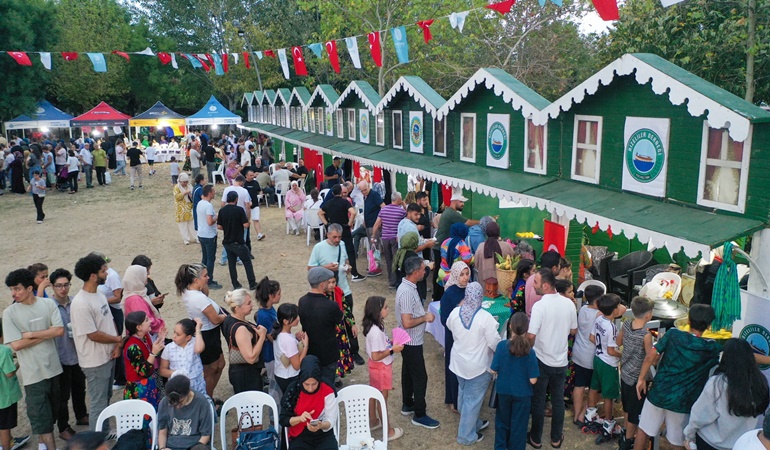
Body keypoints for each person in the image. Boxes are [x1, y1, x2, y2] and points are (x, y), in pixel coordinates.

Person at [632, 304, 721, 450]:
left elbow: (651, 355)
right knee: (677, 442)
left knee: (643, 430)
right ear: (709, 326)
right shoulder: (711, 348)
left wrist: (641, 379)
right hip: (682, 402)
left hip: (659, 393)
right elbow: (740, 352)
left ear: (688, 321)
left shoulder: (673, 334)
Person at [3, 268, 64, 450]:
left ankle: (41, 445)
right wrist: (47, 333)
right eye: (11, 289)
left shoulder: (48, 304)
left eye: (17, 289)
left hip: (54, 369)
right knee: (42, 420)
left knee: (51, 415)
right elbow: (16, 345)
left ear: (30, 288)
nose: (13, 293)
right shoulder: (10, 313)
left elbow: (59, 330)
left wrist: (30, 334)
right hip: (33, 376)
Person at [682, 338, 769, 450]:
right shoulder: (761, 383)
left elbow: (700, 415)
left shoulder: (717, 383)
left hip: (709, 443)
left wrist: (689, 435)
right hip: (739, 444)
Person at [527, 269, 577, 449]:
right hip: (561, 360)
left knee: (539, 400)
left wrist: (527, 350)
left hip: (541, 359)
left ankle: (535, 438)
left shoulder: (539, 306)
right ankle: (556, 438)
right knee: (558, 400)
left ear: (546, 285)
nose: (533, 285)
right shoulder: (568, 304)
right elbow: (573, 330)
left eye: (536, 282)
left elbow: (531, 335)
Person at [71, 254, 122, 431]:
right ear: (93, 276)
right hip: (95, 361)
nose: (107, 273)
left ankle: (104, 434)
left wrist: (116, 345)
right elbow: (92, 334)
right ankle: (97, 440)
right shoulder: (80, 303)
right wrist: (117, 340)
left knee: (106, 397)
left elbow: (109, 320)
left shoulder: (99, 293)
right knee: (98, 404)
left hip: (108, 355)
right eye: (103, 271)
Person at [445, 282, 500, 445]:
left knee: (463, 395)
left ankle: (473, 423)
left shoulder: (455, 312)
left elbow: (449, 326)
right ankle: (466, 436)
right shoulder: (486, 318)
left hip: (458, 363)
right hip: (478, 366)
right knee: (472, 401)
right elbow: (495, 343)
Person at [308, 223, 364, 365]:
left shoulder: (342, 245)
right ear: (327, 235)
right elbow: (310, 268)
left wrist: (348, 266)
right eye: (334, 237)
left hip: (344, 290)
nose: (337, 240)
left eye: (339, 237)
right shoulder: (318, 248)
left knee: (349, 320)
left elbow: (346, 260)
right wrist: (326, 268)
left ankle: (354, 351)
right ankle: (336, 352)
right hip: (326, 293)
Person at [396, 256, 439, 429]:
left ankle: (407, 404)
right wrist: (425, 318)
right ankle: (419, 414)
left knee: (408, 372)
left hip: (408, 339)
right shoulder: (407, 292)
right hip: (411, 341)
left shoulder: (407, 286)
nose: (425, 271)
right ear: (415, 272)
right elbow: (407, 322)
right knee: (420, 377)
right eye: (422, 269)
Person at [175, 263, 226, 399]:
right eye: (205, 276)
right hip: (208, 335)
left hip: (209, 333)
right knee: (211, 370)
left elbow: (206, 294)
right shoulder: (198, 298)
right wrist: (226, 316)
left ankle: (208, 396)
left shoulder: (189, 291)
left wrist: (203, 284)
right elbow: (215, 319)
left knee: (220, 364)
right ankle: (207, 399)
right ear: (195, 280)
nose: (208, 278)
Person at [491, 312, 539, 450]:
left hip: (503, 391)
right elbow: (533, 380)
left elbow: (493, 369)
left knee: (502, 422)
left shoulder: (501, 346)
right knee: (519, 426)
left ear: (510, 326)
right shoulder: (530, 351)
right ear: (526, 328)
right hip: (522, 394)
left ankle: (500, 447)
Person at [50, 268, 88, 440]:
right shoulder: (49, 307)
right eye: (59, 285)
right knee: (62, 395)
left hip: (78, 353)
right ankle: (63, 427)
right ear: (52, 286)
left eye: (66, 285)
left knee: (79, 387)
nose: (63, 289)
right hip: (60, 356)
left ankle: (81, 415)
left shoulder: (75, 302)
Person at [362, 296, 405, 441]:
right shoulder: (376, 331)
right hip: (382, 367)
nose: (388, 309)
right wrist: (392, 350)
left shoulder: (374, 326)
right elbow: (376, 355)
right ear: (377, 311)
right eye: (385, 307)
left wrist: (390, 343)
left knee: (374, 393)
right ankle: (388, 431)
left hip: (375, 367)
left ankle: (373, 421)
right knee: (382, 398)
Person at [615, 296, 654, 450]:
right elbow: (650, 358)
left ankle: (625, 433)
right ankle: (628, 441)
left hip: (625, 372)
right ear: (648, 315)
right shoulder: (646, 335)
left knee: (627, 407)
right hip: (638, 379)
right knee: (634, 413)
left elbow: (618, 342)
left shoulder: (626, 324)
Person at [279, 356, 339, 450]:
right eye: (306, 384)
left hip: (323, 433)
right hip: (300, 435)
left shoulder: (327, 389)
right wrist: (299, 418)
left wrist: (321, 425)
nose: (310, 389)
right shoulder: (294, 389)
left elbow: (331, 419)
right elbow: (283, 419)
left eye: (314, 384)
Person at [586, 294, 623, 438]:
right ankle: (609, 423)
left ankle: (590, 414)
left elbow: (591, 337)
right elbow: (611, 351)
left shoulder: (599, 319)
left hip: (598, 358)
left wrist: (600, 346)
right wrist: (622, 355)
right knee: (609, 395)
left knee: (594, 387)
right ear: (615, 310)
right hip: (608, 364)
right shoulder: (611, 327)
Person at [298, 267, 343, 384]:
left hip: (310, 352)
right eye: (327, 282)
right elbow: (339, 319)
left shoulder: (302, 301)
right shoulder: (331, 305)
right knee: (328, 386)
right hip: (328, 354)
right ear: (322, 284)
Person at [433, 190, 480, 301]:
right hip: (441, 248)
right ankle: (438, 297)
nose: (463, 204)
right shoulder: (452, 213)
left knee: (440, 272)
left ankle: (438, 297)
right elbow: (468, 222)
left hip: (441, 246)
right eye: (461, 202)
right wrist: (482, 222)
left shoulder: (448, 212)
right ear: (454, 201)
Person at [221, 289, 268, 393]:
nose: (252, 305)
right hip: (246, 375)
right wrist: (262, 336)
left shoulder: (229, 319)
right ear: (237, 308)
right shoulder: (241, 329)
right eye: (248, 303)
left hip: (239, 371)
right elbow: (251, 358)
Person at [571, 284, 605, 427]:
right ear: (598, 301)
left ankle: (576, 414)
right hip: (591, 356)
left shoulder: (583, 309)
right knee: (594, 388)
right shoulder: (599, 315)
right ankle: (583, 413)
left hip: (578, 353)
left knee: (579, 385)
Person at [439, 261, 470, 413]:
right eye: (462, 274)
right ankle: (453, 399)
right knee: (453, 367)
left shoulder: (470, 289)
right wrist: (459, 309)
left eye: (467, 274)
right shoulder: (449, 294)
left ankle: (465, 397)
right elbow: (444, 319)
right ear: (456, 275)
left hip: (467, 336)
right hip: (453, 336)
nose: (465, 277)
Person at [319, 184, 365, 281]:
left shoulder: (328, 203)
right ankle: (354, 274)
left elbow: (320, 213)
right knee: (350, 251)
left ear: (332, 193)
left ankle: (333, 271)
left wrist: (327, 224)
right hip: (343, 228)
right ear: (340, 192)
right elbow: (353, 212)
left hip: (333, 229)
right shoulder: (345, 202)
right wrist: (349, 223)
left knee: (333, 250)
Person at [157, 375, 213, 450]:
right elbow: (162, 431)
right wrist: (162, 448)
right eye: (172, 403)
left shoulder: (201, 402)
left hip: (194, 446)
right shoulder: (164, 402)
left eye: (180, 402)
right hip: (171, 446)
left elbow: (206, 435)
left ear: (188, 392)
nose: (177, 407)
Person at [122, 311, 165, 408]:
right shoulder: (133, 347)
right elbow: (143, 371)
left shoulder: (144, 337)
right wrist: (153, 353)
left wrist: (160, 339)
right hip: (138, 389)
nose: (150, 321)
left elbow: (151, 354)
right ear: (139, 327)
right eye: (146, 320)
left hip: (149, 384)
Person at [218, 190, 257, 290]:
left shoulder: (222, 211)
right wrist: (248, 223)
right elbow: (245, 224)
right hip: (238, 242)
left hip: (227, 242)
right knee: (247, 262)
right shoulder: (239, 210)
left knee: (231, 264)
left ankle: (235, 284)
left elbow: (219, 226)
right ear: (236, 199)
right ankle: (252, 283)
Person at [0, 321, 30, 450]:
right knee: (4, 426)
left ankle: (10, 441)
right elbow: (9, 373)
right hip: (5, 398)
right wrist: (19, 363)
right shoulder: (4, 350)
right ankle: (7, 446)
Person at [159, 319, 207, 397]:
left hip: (196, 384)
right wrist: (175, 372)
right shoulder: (169, 348)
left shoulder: (194, 342)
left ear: (188, 337)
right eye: (174, 332)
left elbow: (199, 349)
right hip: (178, 386)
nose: (174, 336)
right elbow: (162, 370)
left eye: (178, 334)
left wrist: (198, 329)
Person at [255, 277, 282, 404]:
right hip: (270, 354)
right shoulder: (264, 315)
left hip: (272, 351)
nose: (280, 296)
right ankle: (274, 408)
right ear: (271, 296)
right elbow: (271, 336)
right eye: (278, 293)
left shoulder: (269, 309)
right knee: (274, 383)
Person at [372, 192, 407, 288]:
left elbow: (377, 223)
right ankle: (396, 281)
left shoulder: (384, 209)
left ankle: (391, 280)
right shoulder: (401, 211)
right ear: (399, 199)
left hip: (385, 238)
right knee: (396, 259)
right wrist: (405, 207)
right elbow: (408, 218)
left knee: (388, 259)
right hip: (395, 238)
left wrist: (373, 236)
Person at [273, 303, 309, 395]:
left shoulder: (279, 333)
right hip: (290, 377)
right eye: (295, 317)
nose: (298, 319)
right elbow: (297, 366)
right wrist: (305, 346)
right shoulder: (288, 340)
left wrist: (296, 339)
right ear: (285, 321)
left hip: (281, 373)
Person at [323, 276, 355, 380]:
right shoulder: (321, 296)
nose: (331, 285)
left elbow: (346, 308)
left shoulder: (338, 291)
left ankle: (337, 376)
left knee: (340, 350)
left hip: (339, 328)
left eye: (333, 282)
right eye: (329, 282)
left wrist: (352, 324)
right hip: (328, 328)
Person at [122, 265, 166, 338]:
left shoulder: (133, 293)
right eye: (144, 275)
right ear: (137, 278)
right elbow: (146, 320)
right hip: (146, 336)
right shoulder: (135, 300)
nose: (147, 277)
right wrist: (160, 323)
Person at [196, 185, 222, 289]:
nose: (215, 193)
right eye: (213, 191)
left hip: (201, 233)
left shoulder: (200, 203)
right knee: (211, 258)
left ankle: (202, 277)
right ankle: (209, 280)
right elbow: (210, 222)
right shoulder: (208, 206)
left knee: (205, 257)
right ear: (210, 193)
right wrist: (217, 217)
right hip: (209, 235)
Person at [525, 251, 562, 317]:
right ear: (554, 268)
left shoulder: (531, 278)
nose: (560, 267)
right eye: (559, 264)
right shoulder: (548, 286)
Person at [174, 173, 198, 245]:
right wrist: (184, 193)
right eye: (184, 182)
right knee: (183, 226)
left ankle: (196, 237)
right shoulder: (176, 187)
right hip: (181, 210)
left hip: (189, 208)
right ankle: (186, 239)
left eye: (186, 182)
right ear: (180, 181)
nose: (185, 183)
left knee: (192, 224)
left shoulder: (189, 186)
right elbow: (177, 197)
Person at [242, 169, 265, 241]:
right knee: (245, 221)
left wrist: (260, 195)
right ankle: (243, 236)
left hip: (255, 204)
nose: (252, 177)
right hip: (245, 206)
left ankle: (259, 234)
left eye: (253, 175)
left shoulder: (255, 182)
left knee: (256, 219)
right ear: (246, 176)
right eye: (250, 175)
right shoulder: (243, 184)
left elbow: (260, 190)